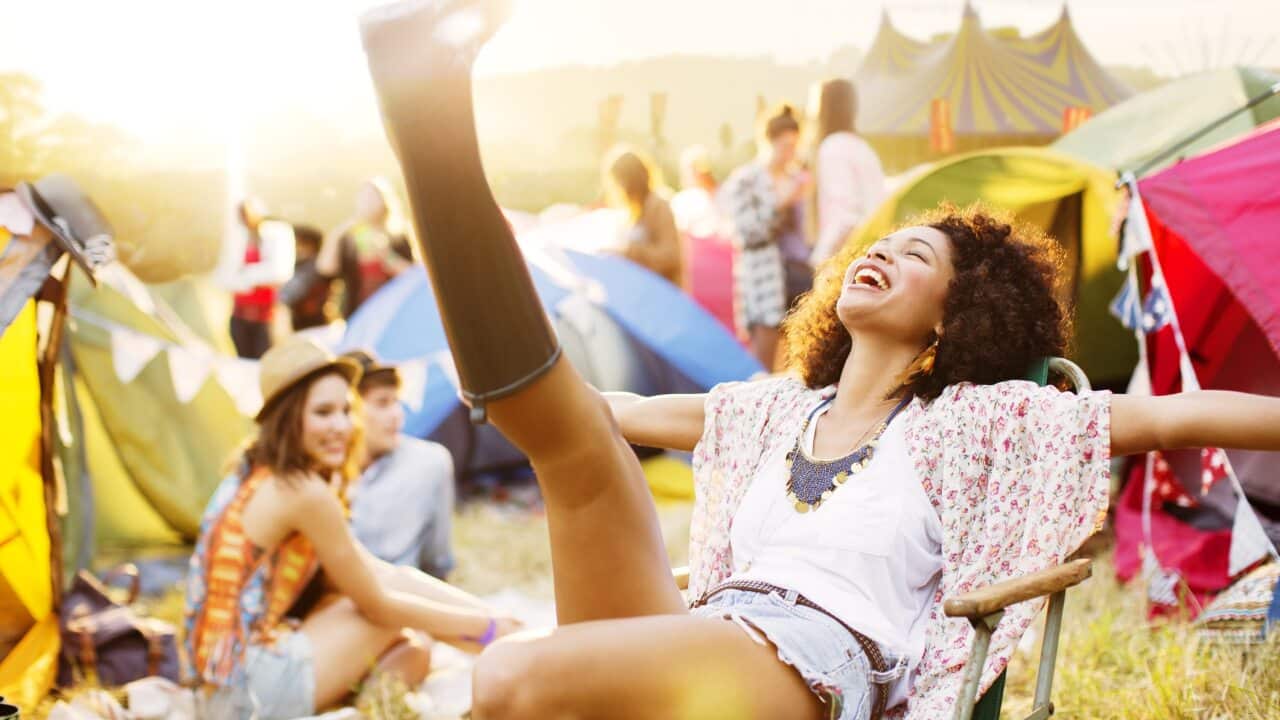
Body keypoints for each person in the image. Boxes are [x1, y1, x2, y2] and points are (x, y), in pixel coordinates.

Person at [358, 4, 1280, 719]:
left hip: (814, 661)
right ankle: (425, 108)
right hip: (710, 627)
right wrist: (513, 386)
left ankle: (425, 105)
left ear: (956, 318)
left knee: (511, 676)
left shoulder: (969, 423)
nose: (880, 253)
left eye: (916, 258)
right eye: (882, 243)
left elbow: (1175, 416)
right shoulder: (776, 410)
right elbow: (602, 409)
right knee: (568, 435)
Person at [184, 335, 517, 719]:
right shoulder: (302, 491)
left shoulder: (256, 472)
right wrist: (485, 625)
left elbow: (380, 575)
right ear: (289, 418)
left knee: (414, 648)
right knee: (384, 612)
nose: (342, 425)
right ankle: (514, 648)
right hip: (241, 690)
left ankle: (511, 644)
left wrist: (484, 619)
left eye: (346, 409)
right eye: (323, 412)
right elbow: (377, 603)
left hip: (216, 682)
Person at [342, 349, 456, 579]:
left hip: (403, 590)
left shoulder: (428, 463)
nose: (397, 414)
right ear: (349, 409)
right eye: (382, 403)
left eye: (397, 402)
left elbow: (438, 560)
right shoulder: (322, 471)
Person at [722, 103, 812, 370]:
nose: (790, 153)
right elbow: (747, 233)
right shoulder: (746, 180)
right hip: (764, 278)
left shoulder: (797, 178)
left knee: (799, 361)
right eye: (785, 146)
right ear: (769, 142)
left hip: (800, 274)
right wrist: (782, 203)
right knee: (763, 362)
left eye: (794, 146)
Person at [807, 78, 887, 267]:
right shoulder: (863, 147)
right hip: (870, 247)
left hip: (844, 257)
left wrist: (821, 257)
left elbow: (845, 215)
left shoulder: (833, 147)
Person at [316, 178, 415, 320]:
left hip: (394, 311)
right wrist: (337, 233)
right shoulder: (348, 237)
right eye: (363, 197)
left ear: (385, 201)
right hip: (358, 314)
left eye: (373, 196)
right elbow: (326, 269)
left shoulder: (398, 236)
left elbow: (413, 276)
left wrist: (386, 255)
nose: (367, 202)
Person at [213, 198, 296, 359]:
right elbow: (224, 277)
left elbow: (279, 272)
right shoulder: (238, 238)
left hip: (266, 316)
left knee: (265, 359)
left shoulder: (276, 234)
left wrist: (244, 277)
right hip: (240, 315)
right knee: (244, 359)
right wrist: (247, 279)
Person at [603, 146, 684, 288]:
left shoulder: (659, 206)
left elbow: (672, 256)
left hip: (662, 292)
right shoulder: (631, 212)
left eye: (620, 180)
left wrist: (632, 252)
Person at [278, 224, 335, 332]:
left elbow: (290, 293)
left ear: (309, 245)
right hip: (302, 324)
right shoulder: (296, 264)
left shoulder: (314, 267)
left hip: (311, 325)